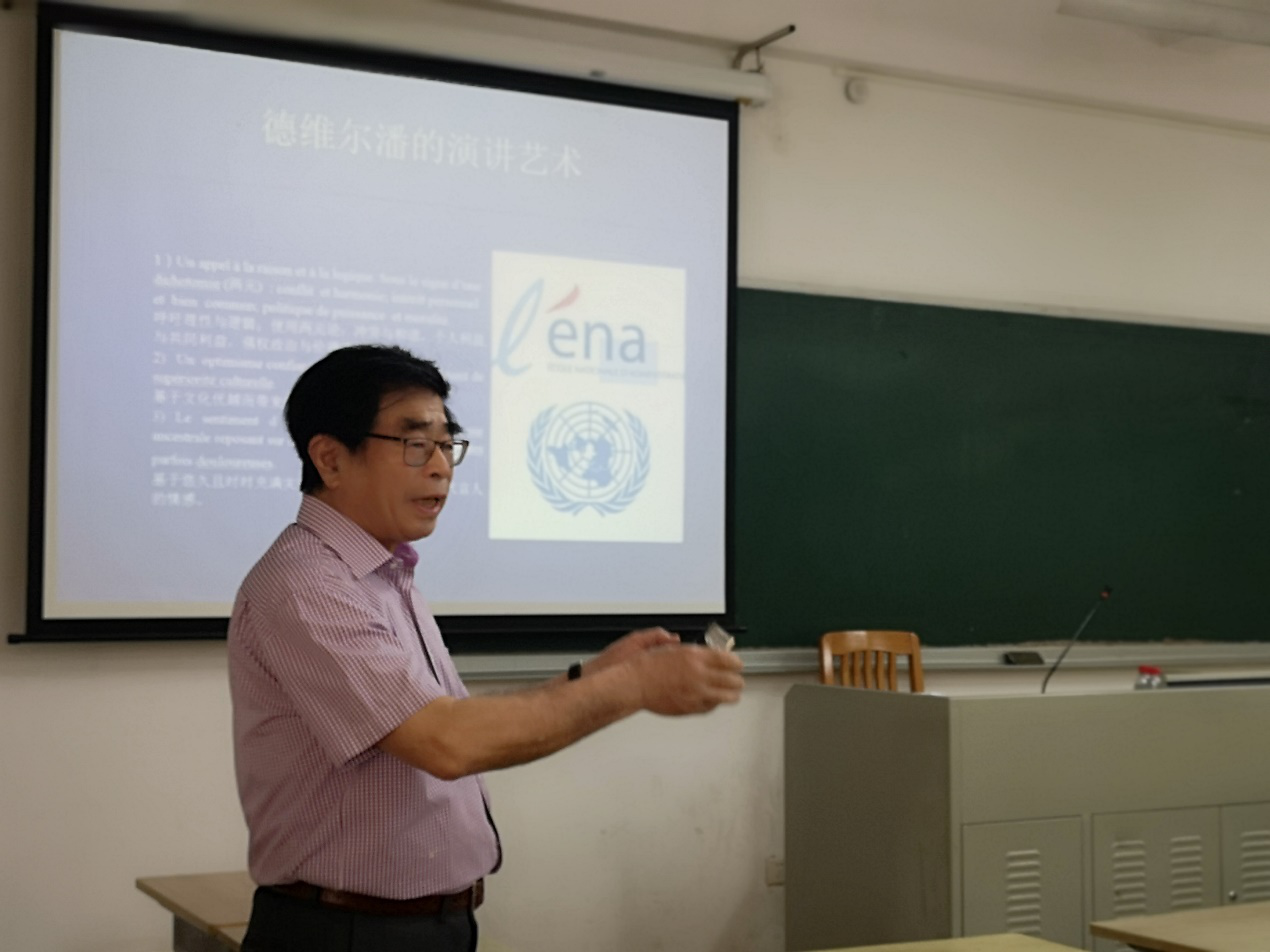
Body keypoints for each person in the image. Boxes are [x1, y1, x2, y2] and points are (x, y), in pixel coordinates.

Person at [228, 343, 744, 952]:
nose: (441, 466)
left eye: (447, 443)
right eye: (414, 443)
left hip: (418, 925)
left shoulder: (384, 576)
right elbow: (446, 741)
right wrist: (634, 688)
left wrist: (587, 679)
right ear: (330, 458)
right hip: (345, 933)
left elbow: (447, 721)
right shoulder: (307, 584)